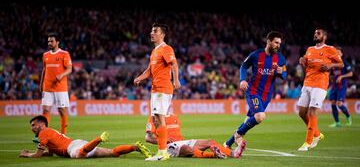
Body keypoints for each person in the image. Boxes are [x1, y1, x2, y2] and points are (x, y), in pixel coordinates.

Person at [224, 31, 287, 153]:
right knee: (260, 116)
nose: (278, 45)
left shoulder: (281, 58)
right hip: (253, 91)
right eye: (276, 42)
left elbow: (284, 74)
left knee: (248, 121)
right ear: (268, 41)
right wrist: (242, 80)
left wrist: (281, 72)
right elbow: (243, 66)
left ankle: (228, 143)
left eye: (279, 43)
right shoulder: (256, 55)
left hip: (267, 95)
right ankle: (238, 135)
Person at [134, 23, 181, 161]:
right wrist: (140, 78)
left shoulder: (166, 49)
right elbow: (149, 71)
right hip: (155, 90)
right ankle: (162, 151)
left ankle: (162, 153)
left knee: (160, 119)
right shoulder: (155, 51)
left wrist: (176, 80)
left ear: (162, 34)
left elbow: (174, 64)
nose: (151, 33)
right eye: (151, 30)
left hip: (163, 89)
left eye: (155, 31)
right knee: (156, 120)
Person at [20, 115, 151, 159]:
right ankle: (134, 147)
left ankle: (99, 138)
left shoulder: (43, 132)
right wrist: (35, 153)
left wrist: (27, 155)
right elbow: (49, 154)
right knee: (112, 153)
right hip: (78, 143)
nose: (32, 128)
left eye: (33, 125)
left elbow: (37, 154)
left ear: (41, 125)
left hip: (73, 147)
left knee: (78, 156)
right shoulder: (49, 132)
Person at [297, 28, 343, 151]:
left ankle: (308, 142)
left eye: (318, 33)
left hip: (320, 84)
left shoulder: (330, 49)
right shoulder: (310, 49)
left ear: (324, 36)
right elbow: (307, 64)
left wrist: (330, 65)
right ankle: (317, 134)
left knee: (312, 112)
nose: (315, 35)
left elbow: (341, 64)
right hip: (307, 83)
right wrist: (303, 62)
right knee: (301, 112)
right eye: (315, 33)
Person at [145, 114, 242, 159]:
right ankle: (214, 155)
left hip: (181, 142)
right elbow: (148, 138)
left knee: (209, 142)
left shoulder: (174, 116)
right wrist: (163, 140)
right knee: (186, 148)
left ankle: (233, 153)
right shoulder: (154, 118)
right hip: (168, 147)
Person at [40, 33, 72, 134]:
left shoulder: (64, 54)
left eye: (51, 41)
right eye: (48, 41)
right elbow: (44, 70)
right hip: (47, 87)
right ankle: (44, 134)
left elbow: (69, 69)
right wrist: (41, 84)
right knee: (45, 110)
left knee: (62, 111)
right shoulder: (45, 55)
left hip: (60, 88)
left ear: (57, 42)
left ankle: (63, 134)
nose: (49, 43)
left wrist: (62, 75)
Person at [328, 46, 353, 127]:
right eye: (336, 53)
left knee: (339, 103)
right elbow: (332, 74)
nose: (337, 54)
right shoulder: (333, 64)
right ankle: (337, 122)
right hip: (334, 86)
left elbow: (351, 73)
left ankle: (348, 116)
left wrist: (341, 76)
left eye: (338, 52)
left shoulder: (344, 63)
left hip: (342, 86)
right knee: (332, 103)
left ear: (341, 54)